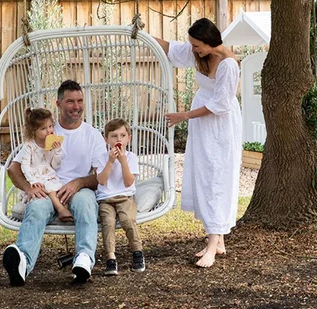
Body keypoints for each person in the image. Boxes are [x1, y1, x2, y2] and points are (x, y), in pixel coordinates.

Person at [155, 17, 241, 268]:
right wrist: (142, 35)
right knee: (205, 175)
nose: (193, 49)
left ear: (209, 41)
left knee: (217, 177)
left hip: (220, 126)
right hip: (203, 125)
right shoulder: (199, 54)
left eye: (197, 45)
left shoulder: (228, 64)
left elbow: (221, 105)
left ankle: (212, 246)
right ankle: (218, 240)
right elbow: (171, 48)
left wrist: (184, 115)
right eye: (192, 45)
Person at [2, 79, 106, 286]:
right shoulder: (45, 132)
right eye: (70, 101)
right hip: (47, 190)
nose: (76, 107)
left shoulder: (92, 135)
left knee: (86, 204)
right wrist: (29, 188)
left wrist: (79, 182)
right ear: (58, 104)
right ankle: (22, 262)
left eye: (80, 101)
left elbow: (101, 177)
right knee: (37, 208)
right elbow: (13, 168)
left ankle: (84, 260)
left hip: (79, 190)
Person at [96, 117, 146, 275]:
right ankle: (111, 258)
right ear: (106, 139)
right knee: (108, 222)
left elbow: (128, 182)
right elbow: (102, 181)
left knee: (127, 220)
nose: (119, 139)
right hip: (106, 199)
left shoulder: (131, 157)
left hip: (125, 197)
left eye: (123, 136)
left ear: (128, 138)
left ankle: (137, 252)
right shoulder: (101, 158)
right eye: (114, 136)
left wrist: (123, 161)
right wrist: (110, 162)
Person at [16, 107, 73, 222]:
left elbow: (55, 165)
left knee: (59, 190)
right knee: (50, 188)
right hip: (36, 176)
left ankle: (61, 212)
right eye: (43, 129)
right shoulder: (29, 146)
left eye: (51, 126)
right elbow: (25, 165)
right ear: (33, 131)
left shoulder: (51, 143)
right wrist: (32, 181)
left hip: (49, 174)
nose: (49, 131)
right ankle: (61, 210)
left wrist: (57, 151)